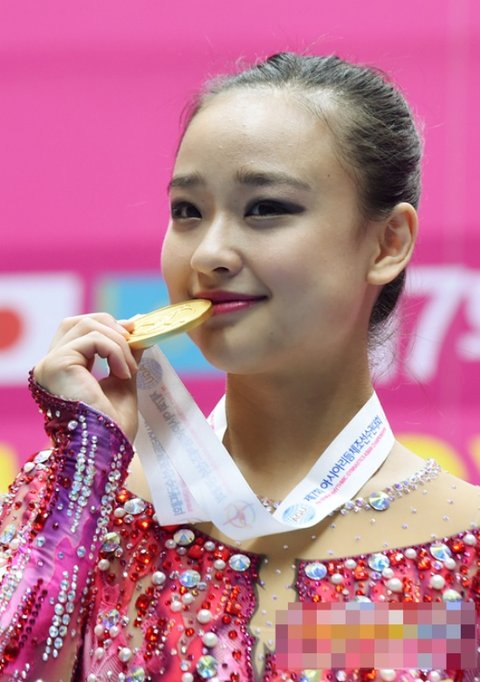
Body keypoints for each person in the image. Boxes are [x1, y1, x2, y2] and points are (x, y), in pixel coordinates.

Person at [0, 52, 478, 682]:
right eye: (187, 211)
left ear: (388, 242)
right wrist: (84, 470)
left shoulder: (465, 551)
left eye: (265, 208)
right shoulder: (77, 505)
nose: (209, 253)